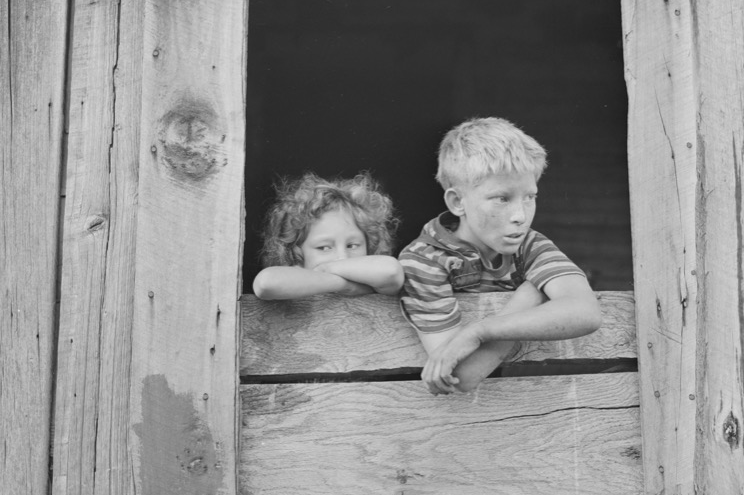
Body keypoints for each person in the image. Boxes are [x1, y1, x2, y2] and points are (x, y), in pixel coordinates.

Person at [399, 117, 601, 395]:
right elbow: (461, 376)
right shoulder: (424, 260)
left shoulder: (529, 245)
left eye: (529, 197)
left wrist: (479, 332)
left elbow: (586, 312)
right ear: (457, 202)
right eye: (502, 198)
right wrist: (532, 294)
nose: (520, 216)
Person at [253, 172, 404, 300]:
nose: (342, 257)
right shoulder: (293, 277)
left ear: (369, 246)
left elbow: (391, 270)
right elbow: (266, 283)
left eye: (352, 245)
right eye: (324, 247)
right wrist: (345, 285)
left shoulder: (378, 283)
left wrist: (325, 269)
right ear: (296, 255)